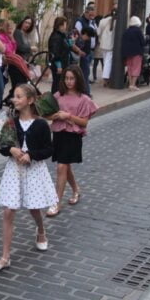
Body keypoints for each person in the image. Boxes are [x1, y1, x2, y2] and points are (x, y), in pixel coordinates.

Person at [0, 83, 56, 272]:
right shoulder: (10, 122)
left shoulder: (41, 124)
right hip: (14, 170)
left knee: (34, 208)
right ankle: (5, 257)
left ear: (30, 100)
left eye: (19, 97)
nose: (15, 100)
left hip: (33, 170)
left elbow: (49, 149)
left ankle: (41, 230)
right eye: (14, 96)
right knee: (9, 211)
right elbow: (0, 145)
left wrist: (31, 155)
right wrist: (10, 149)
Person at [45, 66, 98, 216]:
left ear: (78, 79)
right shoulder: (57, 96)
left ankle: (56, 203)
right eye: (67, 78)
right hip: (59, 134)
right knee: (65, 166)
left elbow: (84, 122)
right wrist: (56, 116)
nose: (69, 82)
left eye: (72, 78)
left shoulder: (84, 99)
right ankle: (76, 189)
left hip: (73, 136)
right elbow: (47, 115)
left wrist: (67, 116)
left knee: (62, 167)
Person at [8, 16, 34, 100]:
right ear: (22, 22)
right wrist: (31, 48)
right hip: (16, 65)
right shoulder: (18, 32)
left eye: (29, 23)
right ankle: (11, 103)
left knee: (21, 87)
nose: (27, 25)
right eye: (26, 22)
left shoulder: (26, 35)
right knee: (18, 87)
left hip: (23, 64)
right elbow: (19, 47)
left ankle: (13, 105)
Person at [48, 17, 74, 94]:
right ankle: (55, 101)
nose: (65, 27)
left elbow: (66, 47)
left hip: (65, 63)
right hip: (59, 65)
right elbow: (55, 52)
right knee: (57, 84)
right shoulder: (55, 37)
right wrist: (58, 65)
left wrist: (70, 42)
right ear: (59, 25)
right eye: (64, 24)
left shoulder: (62, 35)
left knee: (62, 84)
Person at [75, 5, 99, 82]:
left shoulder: (92, 22)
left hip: (90, 50)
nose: (92, 16)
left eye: (93, 15)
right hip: (83, 50)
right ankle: (85, 90)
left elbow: (96, 32)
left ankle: (85, 87)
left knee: (87, 71)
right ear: (86, 13)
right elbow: (78, 36)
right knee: (84, 72)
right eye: (90, 15)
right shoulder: (80, 21)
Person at [121, 16, 145, 91]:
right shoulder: (138, 31)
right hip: (137, 52)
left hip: (128, 52)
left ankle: (130, 83)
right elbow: (143, 42)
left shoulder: (126, 31)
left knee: (130, 68)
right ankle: (133, 84)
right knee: (136, 68)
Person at [97, 9, 116, 86]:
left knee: (106, 61)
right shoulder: (117, 21)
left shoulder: (103, 21)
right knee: (108, 62)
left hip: (103, 43)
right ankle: (106, 78)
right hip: (111, 45)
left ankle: (106, 78)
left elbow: (98, 32)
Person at [76, 28, 94, 96]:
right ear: (85, 34)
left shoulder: (84, 40)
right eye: (88, 37)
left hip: (85, 56)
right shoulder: (77, 36)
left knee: (85, 75)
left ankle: (86, 92)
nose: (88, 39)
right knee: (84, 75)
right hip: (82, 57)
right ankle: (85, 92)